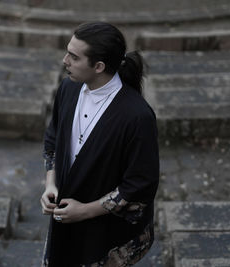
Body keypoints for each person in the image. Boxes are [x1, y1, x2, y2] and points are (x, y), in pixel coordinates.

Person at [40, 21, 160, 266]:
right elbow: (53, 139)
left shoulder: (137, 116)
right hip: (64, 222)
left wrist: (84, 211)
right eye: (67, 52)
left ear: (99, 66)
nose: (65, 60)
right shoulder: (67, 88)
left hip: (104, 234)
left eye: (74, 57)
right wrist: (50, 184)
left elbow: (139, 185)